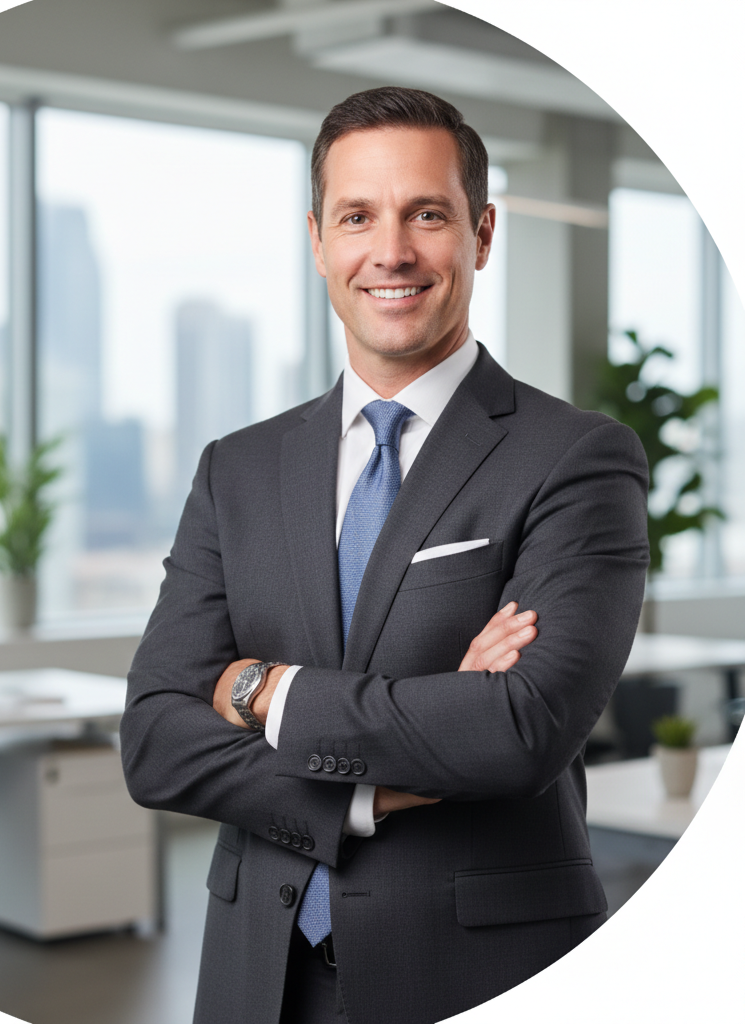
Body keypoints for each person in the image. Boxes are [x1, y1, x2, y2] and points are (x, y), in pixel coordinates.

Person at [121, 86, 649, 1024]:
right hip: (260, 975)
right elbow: (157, 741)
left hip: (479, 970)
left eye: (428, 214)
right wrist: (372, 784)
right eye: (359, 216)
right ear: (318, 239)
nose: (392, 251)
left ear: (481, 235)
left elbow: (521, 727)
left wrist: (261, 690)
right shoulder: (236, 468)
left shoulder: (575, 457)